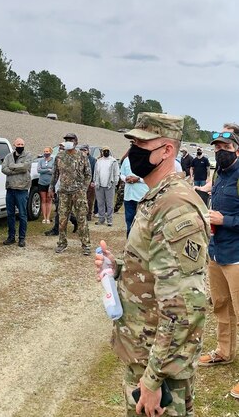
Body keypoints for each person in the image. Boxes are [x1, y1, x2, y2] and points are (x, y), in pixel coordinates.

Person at [94, 112, 209, 417]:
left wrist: (154, 378)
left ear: (167, 150)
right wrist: (117, 267)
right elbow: (157, 271)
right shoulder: (157, 198)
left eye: (142, 143)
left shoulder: (175, 207)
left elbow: (185, 304)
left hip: (158, 366)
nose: (134, 151)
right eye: (132, 142)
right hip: (144, 354)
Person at [196, 129, 239, 399]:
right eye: (216, 147)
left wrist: (227, 221)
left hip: (236, 255)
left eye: (224, 146)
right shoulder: (218, 174)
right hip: (216, 252)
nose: (219, 151)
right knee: (221, 305)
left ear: (236, 149)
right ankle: (224, 352)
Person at [49, 133, 91, 255]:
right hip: (63, 192)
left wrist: (83, 189)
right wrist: (51, 187)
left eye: (70, 140)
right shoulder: (59, 156)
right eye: (66, 140)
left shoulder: (82, 156)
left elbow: (88, 175)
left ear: (76, 142)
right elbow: (55, 174)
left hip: (78, 193)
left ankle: (86, 245)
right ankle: (62, 243)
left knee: (81, 218)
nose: (68, 141)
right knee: (62, 219)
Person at [1, 138, 34, 247]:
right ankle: (11, 237)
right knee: (10, 214)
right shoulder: (8, 156)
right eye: (18, 144)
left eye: (22, 144)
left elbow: (25, 167)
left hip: (22, 189)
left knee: (22, 214)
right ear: (14, 144)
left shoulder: (28, 155)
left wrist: (12, 167)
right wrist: (16, 169)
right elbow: (3, 168)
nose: (20, 145)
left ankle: (22, 238)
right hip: (10, 189)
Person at [119, 153, 149, 238]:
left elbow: (151, 177)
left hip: (142, 196)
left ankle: (141, 247)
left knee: (142, 222)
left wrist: (138, 179)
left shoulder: (147, 159)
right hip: (129, 196)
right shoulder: (126, 160)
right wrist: (125, 179)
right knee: (129, 221)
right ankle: (129, 245)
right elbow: (121, 174)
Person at [94, 146, 119, 227]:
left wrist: (115, 182)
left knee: (110, 204)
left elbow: (116, 173)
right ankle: (101, 219)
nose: (106, 152)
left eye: (107, 151)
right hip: (99, 185)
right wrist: (95, 181)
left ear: (109, 151)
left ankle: (109, 220)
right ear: (102, 152)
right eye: (104, 151)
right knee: (100, 203)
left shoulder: (113, 161)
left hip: (110, 185)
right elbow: (95, 173)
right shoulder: (98, 161)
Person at [37, 147, 54, 224]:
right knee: (43, 200)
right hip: (42, 182)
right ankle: (44, 217)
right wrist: (48, 169)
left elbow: (54, 171)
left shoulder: (53, 161)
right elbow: (39, 170)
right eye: (44, 151)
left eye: (47, 151)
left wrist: (46, 170)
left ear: (50, 152)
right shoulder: (41, 161)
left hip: (50, 183)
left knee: (49, 200)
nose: (45, 152)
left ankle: (48, 217)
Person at [81, 145, 97, 221]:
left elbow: (95, 171)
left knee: (90, 200)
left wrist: (93, 181)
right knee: (81, 200)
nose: (83, 152)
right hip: (80, 183)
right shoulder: (78, 159)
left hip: (90, 183)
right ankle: (82, 214)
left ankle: (89, 214)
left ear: (88, 151)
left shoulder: (93, 160)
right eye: (82, 150)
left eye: (85, 150)